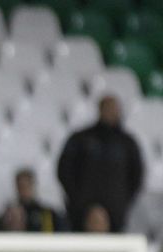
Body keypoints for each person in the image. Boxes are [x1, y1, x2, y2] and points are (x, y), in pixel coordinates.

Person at [57, 95, 146, 232]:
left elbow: (137, 175)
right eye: (109, 108)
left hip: (116, 213)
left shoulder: (127, 143)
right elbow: (64, 170)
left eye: (115, 109)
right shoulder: (80, 138)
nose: (112, 112)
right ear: (100, 109)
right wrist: (78, 200)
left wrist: (121, 203)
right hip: (80, 212)